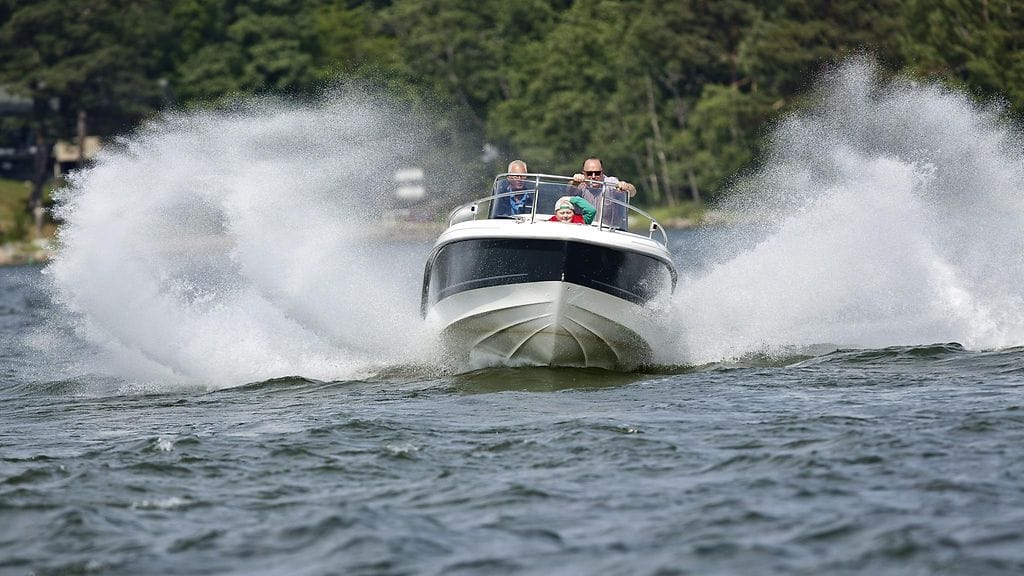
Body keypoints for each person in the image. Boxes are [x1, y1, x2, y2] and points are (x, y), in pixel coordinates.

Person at [570, 158, 636, 229]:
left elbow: (633, 192)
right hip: (583, 228)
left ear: (602, 172)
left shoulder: (610, 183)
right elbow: (567, 191)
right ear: (583, 173)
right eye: (589, 173)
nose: (593, 176)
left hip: (608, 230)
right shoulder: (579, 184)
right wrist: (574, 183)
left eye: (597, 173)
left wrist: (626, 186)